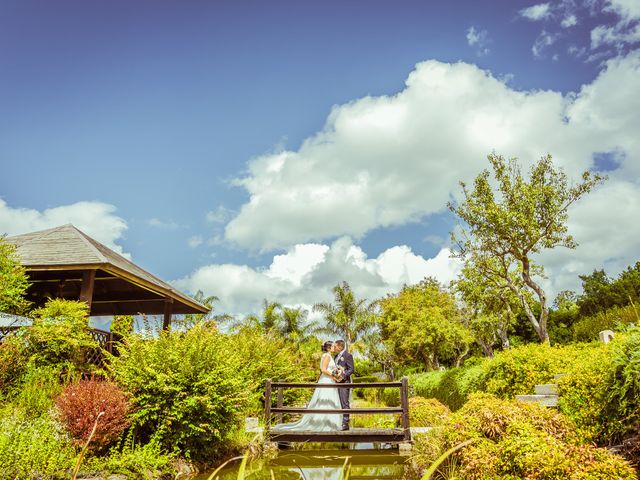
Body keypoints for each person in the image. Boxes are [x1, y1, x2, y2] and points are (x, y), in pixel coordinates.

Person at [273, 341, 342, 431]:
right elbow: (323, 369)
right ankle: (321, 423)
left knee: (329, 401)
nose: (334, 347)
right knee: (324, 401)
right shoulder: (327, 356)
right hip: (326, 380)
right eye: (333, 346)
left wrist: (336, 375)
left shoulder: (329, 356)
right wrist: (334, 376)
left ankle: (327, 423)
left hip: (329, 380)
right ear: (329, 348)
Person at [333, 339, 354, 430]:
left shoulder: (347, 355)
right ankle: (338, 422)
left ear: (340, 346)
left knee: (345, 402)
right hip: (336, 382)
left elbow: (351, 369)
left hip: (344, 382)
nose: (334, 348)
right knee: (338, 402)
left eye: (335, 346)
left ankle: (345, 423)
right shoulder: (336, 356)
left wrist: (343, 375)